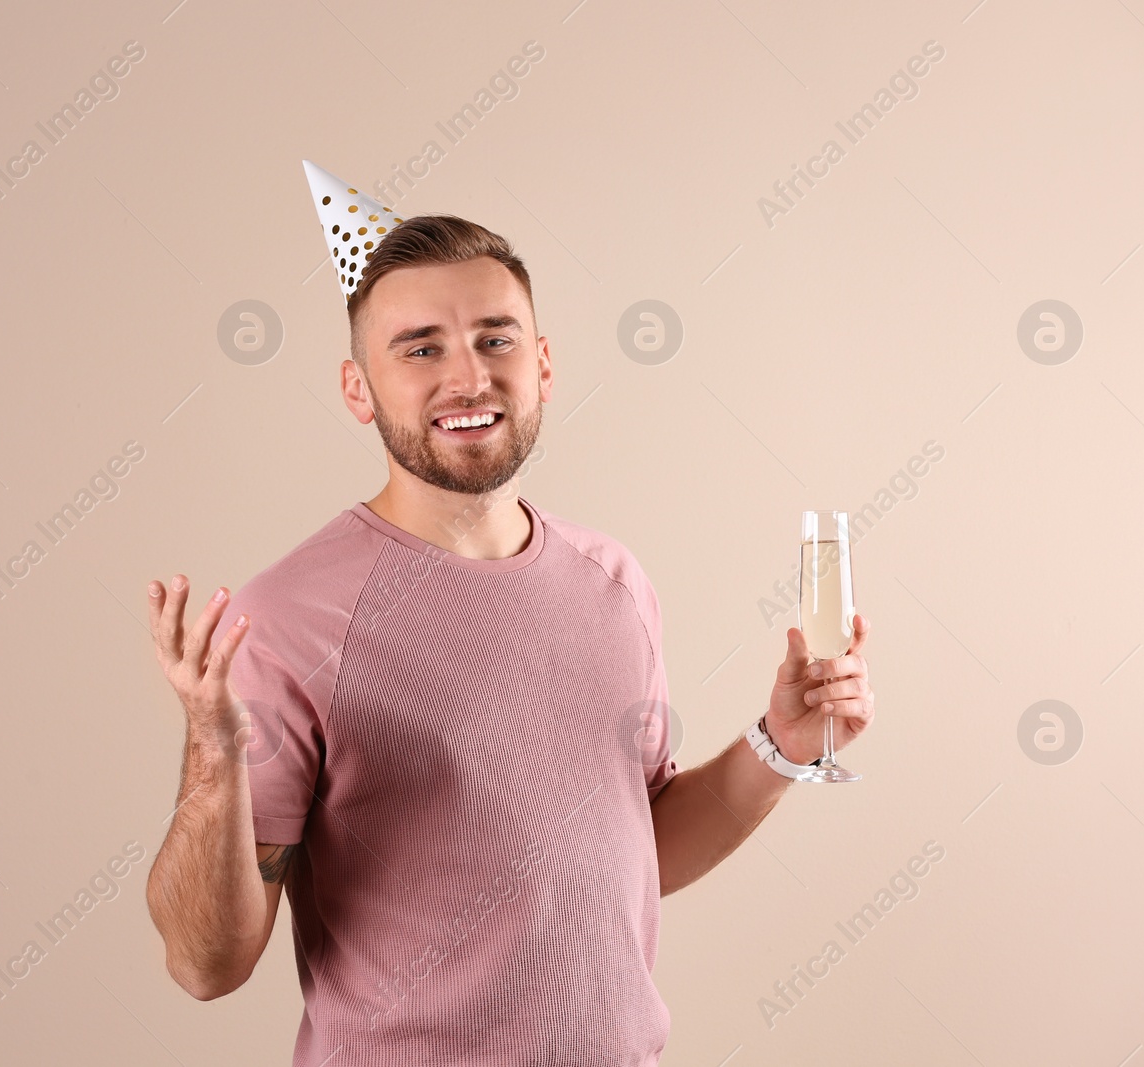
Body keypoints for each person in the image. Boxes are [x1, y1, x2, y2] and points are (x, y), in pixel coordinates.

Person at [143, 214, 875, 1065]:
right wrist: (211, 751)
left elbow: (640, 852)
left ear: (544, 365)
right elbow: (206, 964)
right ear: (357, 389)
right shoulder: (288, 619)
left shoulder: (614, 582)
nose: (469, 375)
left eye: (496, 338)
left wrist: (780, 748)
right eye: (420, 349)